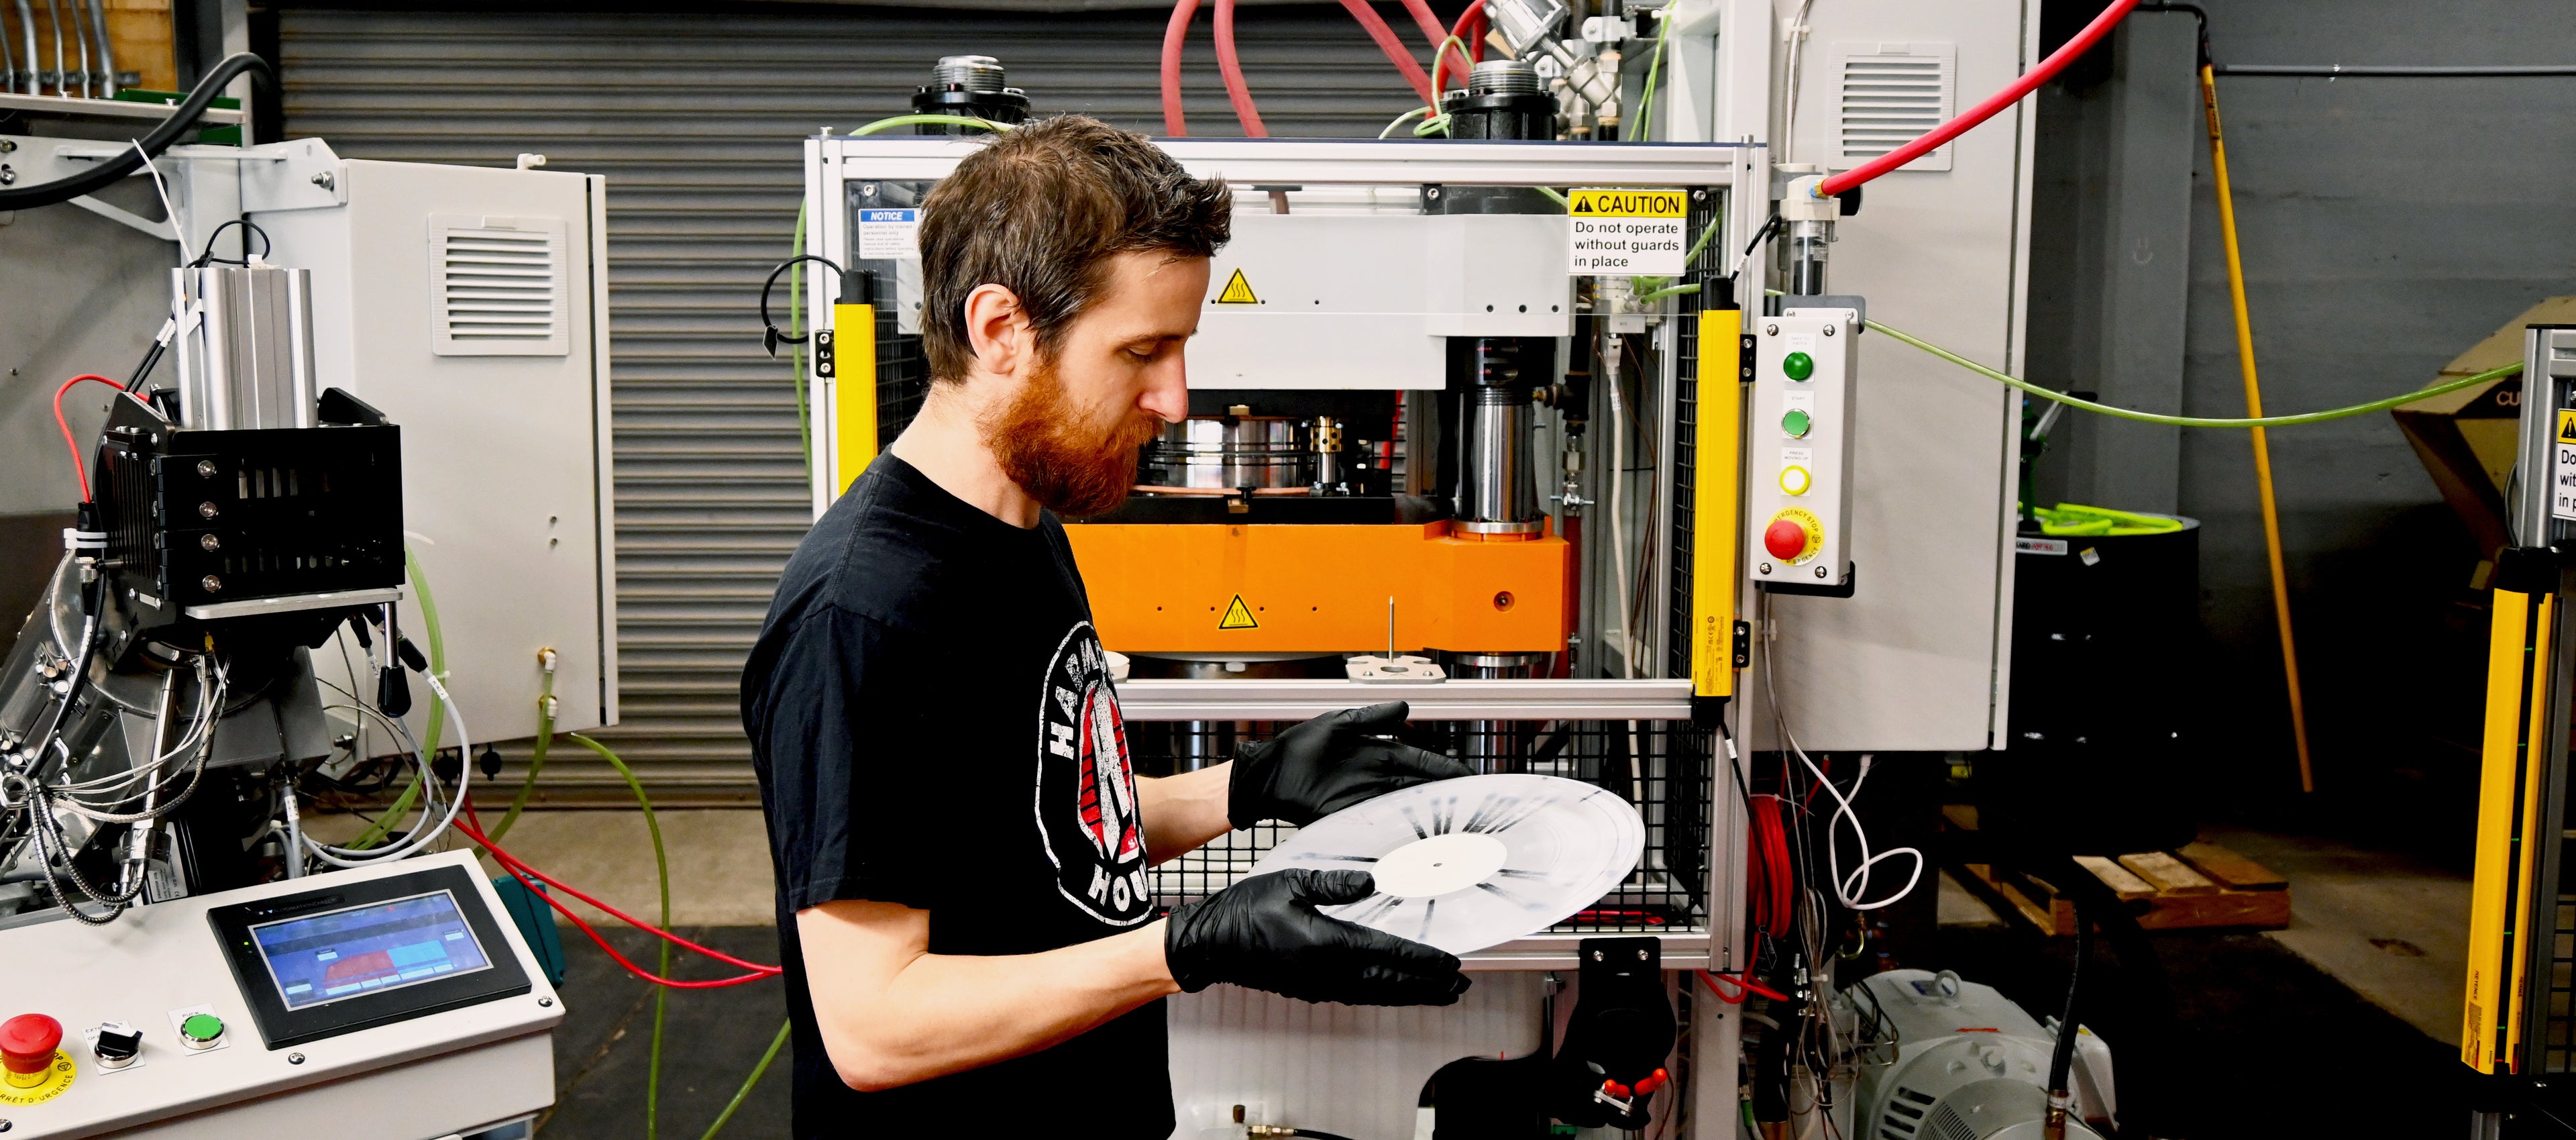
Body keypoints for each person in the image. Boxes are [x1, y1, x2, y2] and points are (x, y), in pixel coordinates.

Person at [741, 114, 1475, 1139]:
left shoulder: (1020, 524)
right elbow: (874, 1027)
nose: (1175, 397)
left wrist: (1255, 783)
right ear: (1001, 330)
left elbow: (1043, 827)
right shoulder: (863, 615)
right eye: (1143, 349)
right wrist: (1180, 951)